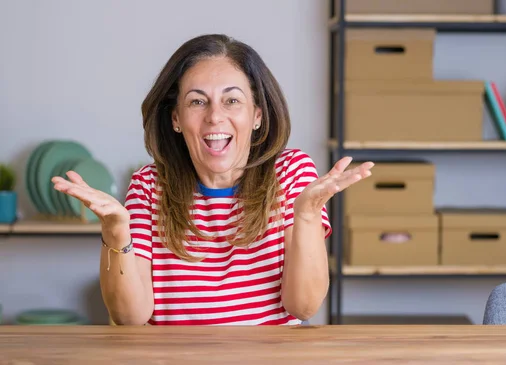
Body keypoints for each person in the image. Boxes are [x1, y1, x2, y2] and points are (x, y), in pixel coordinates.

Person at [52, 34, 373, 326]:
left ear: (257, 115)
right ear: (176, 118)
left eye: (231, 100)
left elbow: (304, 307)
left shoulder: (290, 172)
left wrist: (306, 215)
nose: (214, 116)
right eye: (197, 101)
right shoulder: (148, 186)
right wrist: (116, 231)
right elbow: (128, 317)